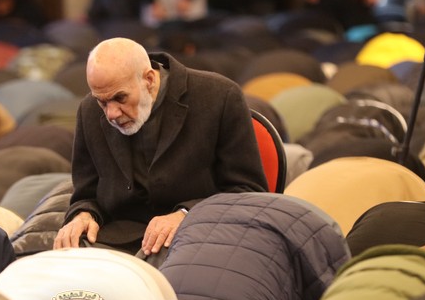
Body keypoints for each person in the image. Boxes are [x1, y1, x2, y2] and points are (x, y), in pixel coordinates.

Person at [54, 37, 267, 257]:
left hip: (200, 235)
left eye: (120, 98)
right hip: (119, 239)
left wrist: (186, 214)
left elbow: (248, 192)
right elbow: (86, 194)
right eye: (102, 101)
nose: (112, 114)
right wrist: (83, 215)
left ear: (148, 79)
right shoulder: (89, 110)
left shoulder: (218, 96)